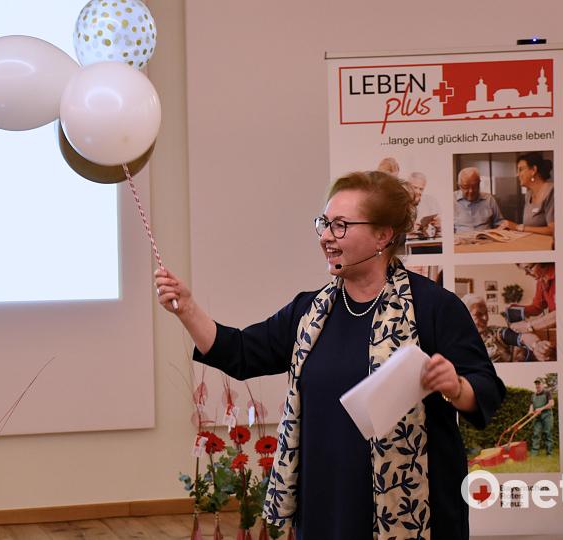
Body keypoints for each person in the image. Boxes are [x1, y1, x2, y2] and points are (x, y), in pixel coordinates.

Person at [155, 171, 505, 540]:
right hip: (326, 506)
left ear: (383, 236)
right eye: (324, 223)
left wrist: (455, 385)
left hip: (414, 514)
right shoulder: (310, 312)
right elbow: (241, 354)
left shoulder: (433, 307)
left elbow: (486, 390)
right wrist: (188, 308)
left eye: (341, 226)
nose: (325, 236)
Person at [461, 294, 554, 362]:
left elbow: (521, 336)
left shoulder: (495, 332)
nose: (485, 318)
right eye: (479, 314)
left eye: (486, 313)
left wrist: (537, 345)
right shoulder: (457, 341)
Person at [499, 152, 555, 237]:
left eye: (520, 169)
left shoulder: (551, 191)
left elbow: (553, 230)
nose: (517, 174)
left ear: (533, 170)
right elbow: (529, 227)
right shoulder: (528, 194)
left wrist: (518, 227)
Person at [510, 262, 557, 333]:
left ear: (541, 262)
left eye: (528, 268)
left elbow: (561, 313)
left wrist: (529, 326)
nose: (526, 273)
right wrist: (518, 310)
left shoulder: (561, 274)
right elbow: (537, 307)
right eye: (524, 270)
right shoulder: (541, 281)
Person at [454, 167, 503, 232]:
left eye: (474, 186)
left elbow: (500, 223)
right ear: (459, 186)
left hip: (486, 240)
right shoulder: (451, 200)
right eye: (466, 187)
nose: (471, 191)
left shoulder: (489, 199)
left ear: (479, 183)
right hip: (461, 241)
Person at [407, 171, 441, 238]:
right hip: (408, 242)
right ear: (408, 186)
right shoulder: (400, 203)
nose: (418, 192)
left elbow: (440, 227)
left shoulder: (431, 201)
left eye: (421, 189)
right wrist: (408, 229)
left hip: (428, 241)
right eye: (415, 187)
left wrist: (439, 225)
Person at [528, 377, 555, 456]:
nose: (537, 385)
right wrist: (530, 411)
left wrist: (541, 409)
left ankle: (549, 453)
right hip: (537, 416)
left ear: (542, 384)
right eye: (536, 384)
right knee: (535, 433)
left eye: (539, 383)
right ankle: (534, 453)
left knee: (548, 433)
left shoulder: (547, 392)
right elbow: (532, 405)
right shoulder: (533, 395)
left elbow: (551, 404)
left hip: (547, 416)